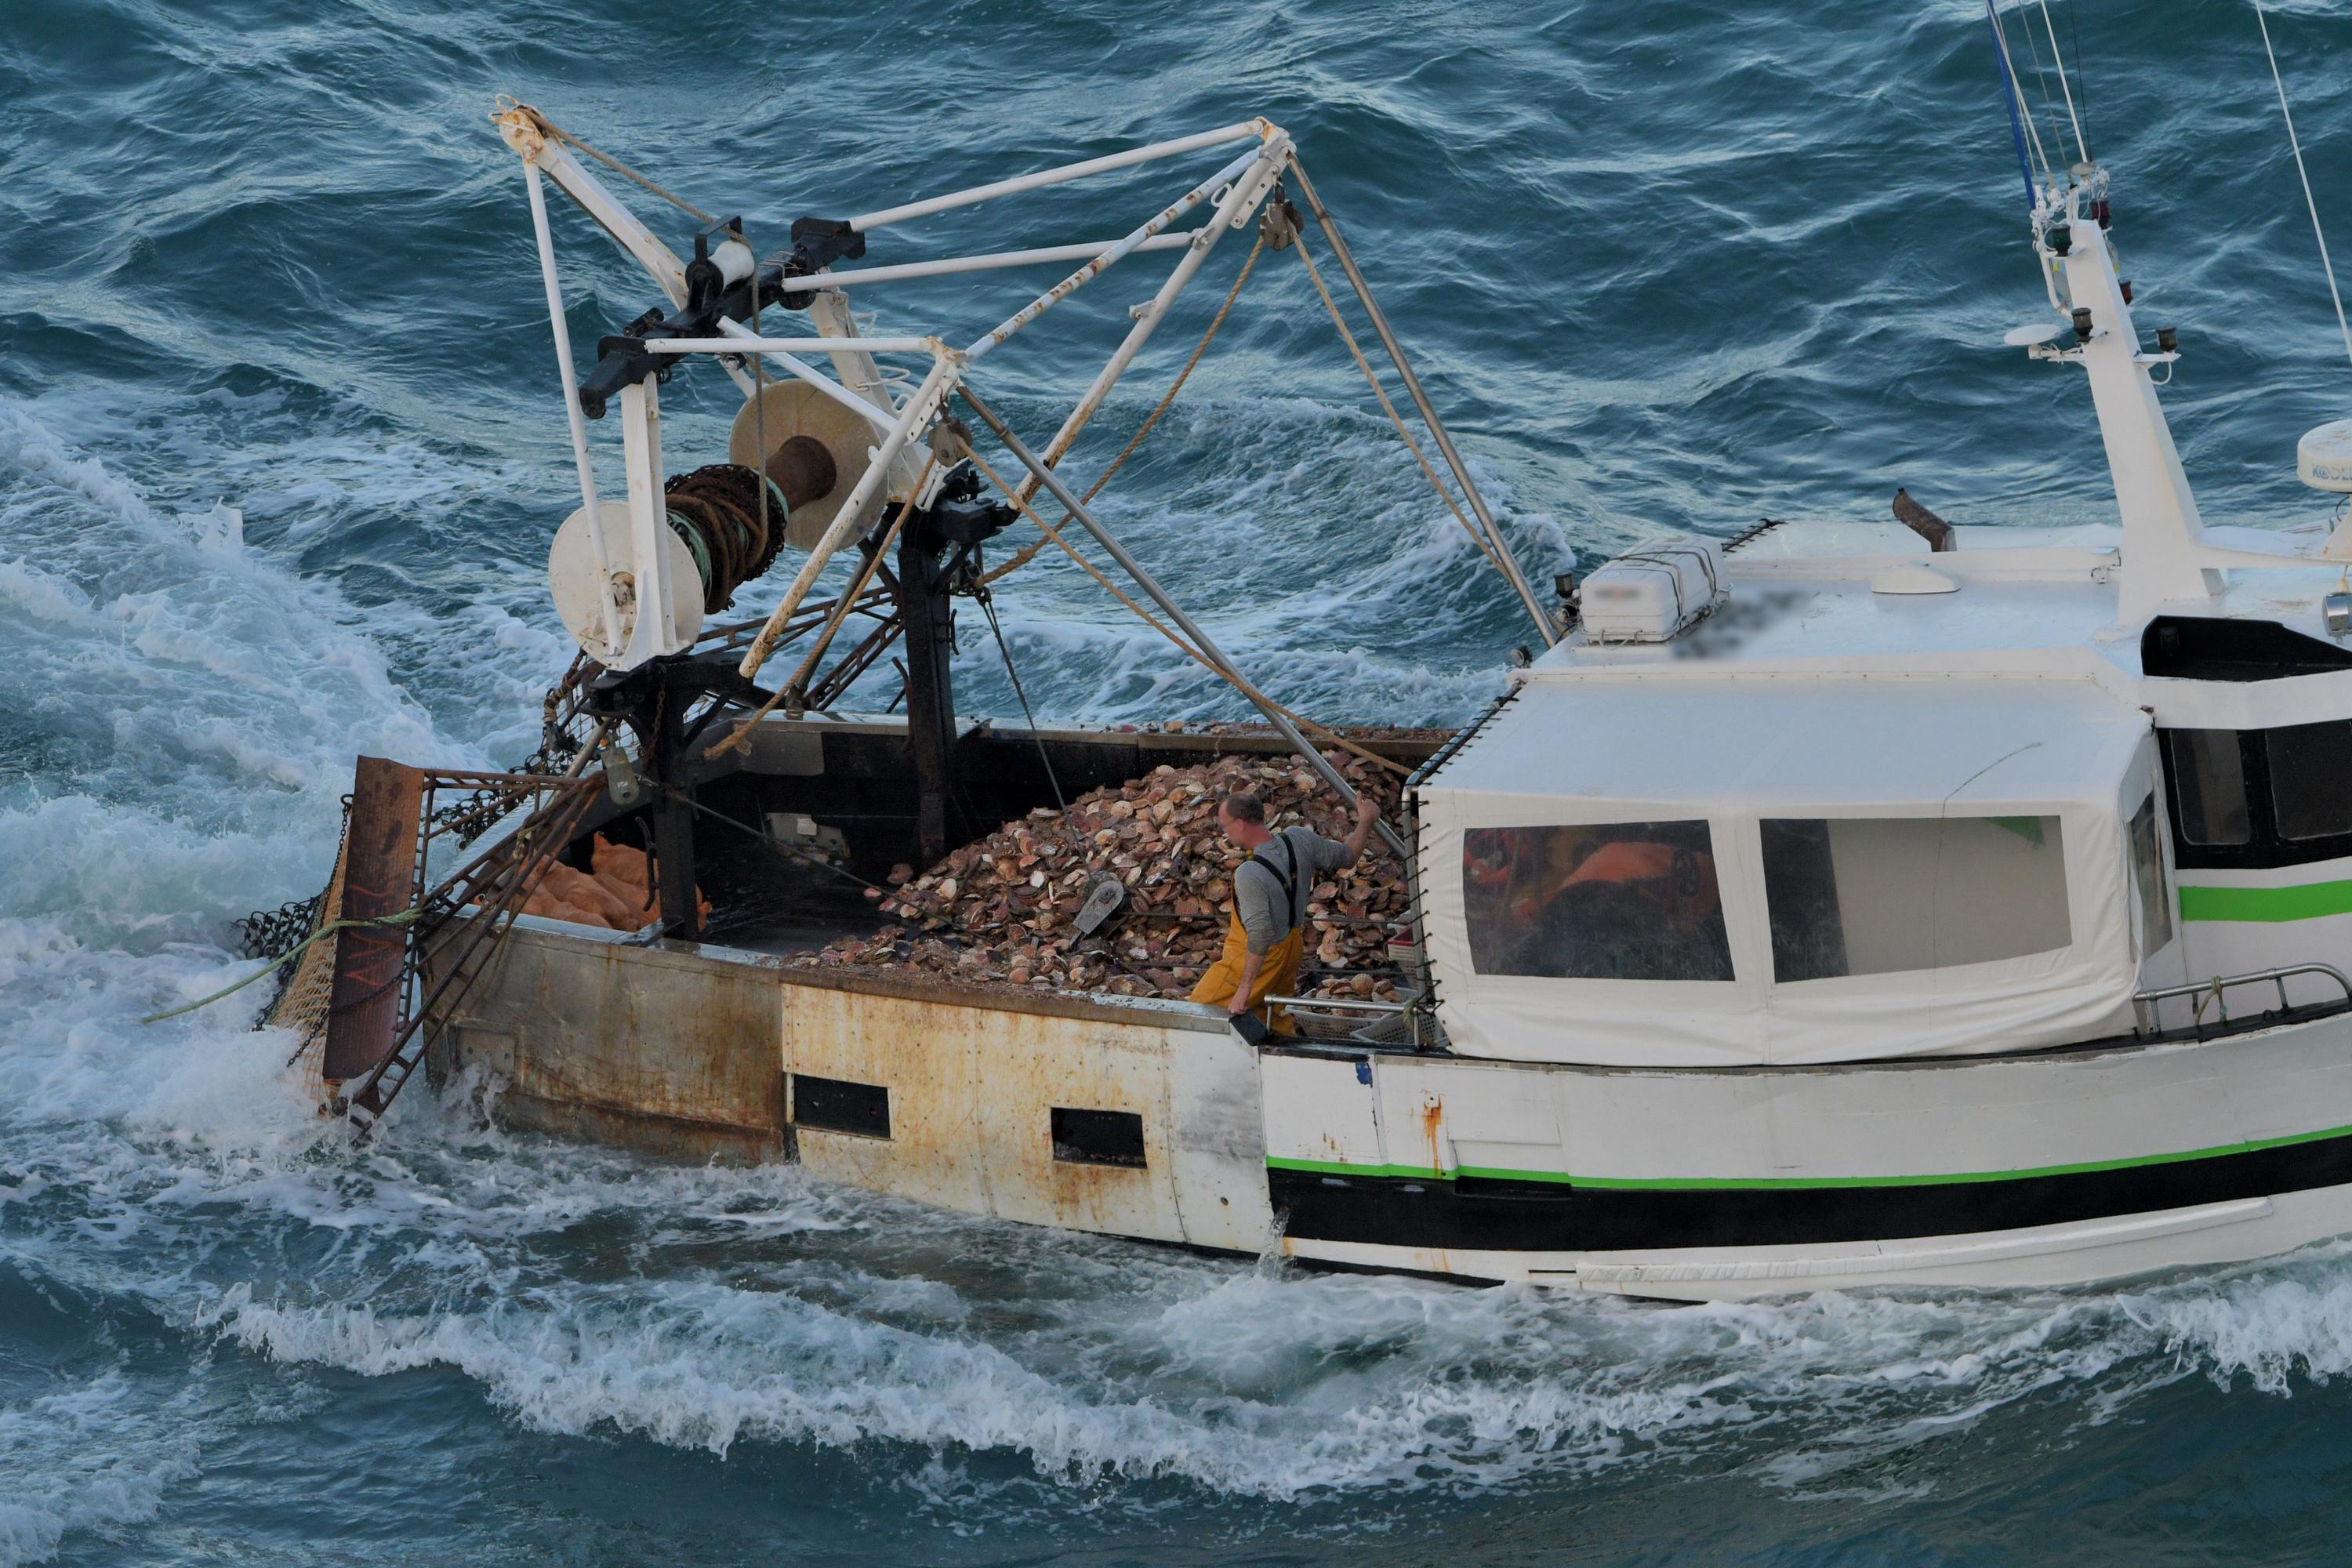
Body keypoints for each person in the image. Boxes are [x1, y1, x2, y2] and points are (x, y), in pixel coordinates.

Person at [1189, 788, 1384, 1034]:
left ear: (1239, 824)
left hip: (1252, 963)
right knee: (1273, 1020)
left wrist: (1244, 989)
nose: (1225, 834)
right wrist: (1365, 821)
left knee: (1193, 1016)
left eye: (1225, 826)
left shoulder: (1249, 873)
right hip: (1291, 950)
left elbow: (1260, 933)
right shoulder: (1299, 839)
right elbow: (1347, 857)